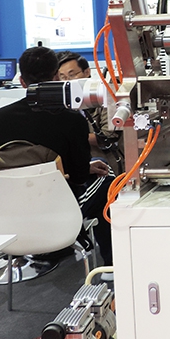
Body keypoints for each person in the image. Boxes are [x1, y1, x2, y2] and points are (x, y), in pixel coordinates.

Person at [0, 47, 112, 264]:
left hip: (5, 211)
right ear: (56, 78)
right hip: (58, 210)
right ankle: (109, 265)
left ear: (22, 82)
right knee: (110, 182)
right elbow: (78, 176)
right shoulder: (71, 120)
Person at [56, 51, 118, 266]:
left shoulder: (102, 96)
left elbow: (107, 136)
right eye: (62, 77)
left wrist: (73, 136)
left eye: (72, 74)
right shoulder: (58, 103)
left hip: (101, 161)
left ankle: (109, 259)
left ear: (86, 73)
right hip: (69, 167)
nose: (68, 81)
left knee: (103, 189)